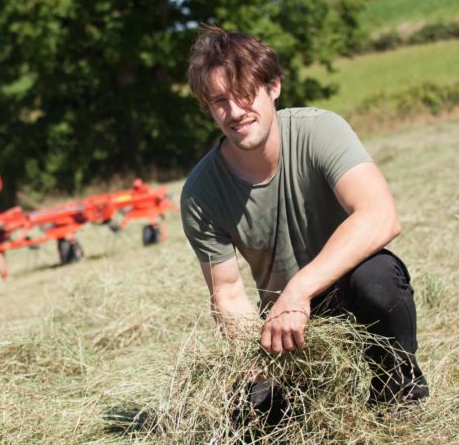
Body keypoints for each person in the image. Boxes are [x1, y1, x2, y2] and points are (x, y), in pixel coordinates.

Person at [180, 26, 428, 406]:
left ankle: (398, 393)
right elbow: (227, 292)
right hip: (287, 329)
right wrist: (257, 361)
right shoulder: (201, 193)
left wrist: (299, 290)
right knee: (256, 421)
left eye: (245, 93)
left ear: (273, 86)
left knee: (377, 280)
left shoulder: (320, 131)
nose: (234, 112)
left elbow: (380, 215)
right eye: (219, 101)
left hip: (347, 292)